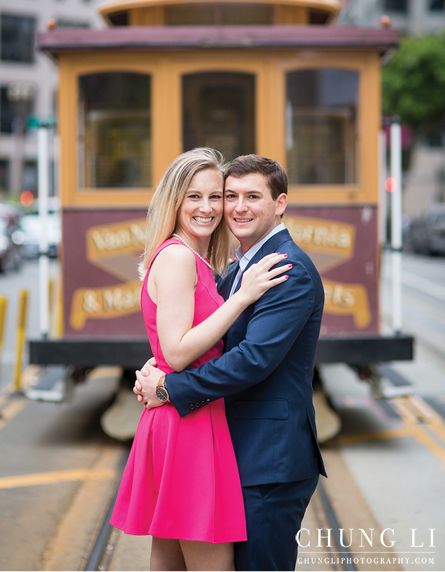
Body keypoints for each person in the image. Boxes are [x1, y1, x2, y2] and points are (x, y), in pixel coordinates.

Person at [136, 154, 327, 571]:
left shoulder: (284, 269)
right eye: (231, 195)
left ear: (280, 204)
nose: (235, 206)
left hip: (267, 458)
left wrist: (170, 387)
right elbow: (199, 339)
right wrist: (159, 365)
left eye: (252, 196)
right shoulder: (235, 267)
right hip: (227, 447)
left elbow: (253, 359)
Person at [109, 148, 290, 571]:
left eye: (216, 197)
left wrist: (156, 367)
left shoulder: (196, 259)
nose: (208, 208)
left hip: (182, 417)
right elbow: (175, 349)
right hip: (188, 423)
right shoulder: (176, 257)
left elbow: (170, 345)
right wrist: (243, 295)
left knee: (169, 561)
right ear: (174, 201)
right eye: (194, 197)